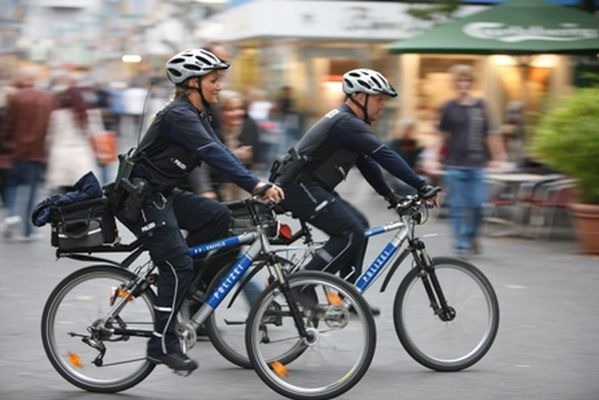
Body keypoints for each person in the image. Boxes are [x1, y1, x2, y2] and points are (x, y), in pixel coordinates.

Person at [110, 48, 284, 373]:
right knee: (177, 264)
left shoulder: (198, 114)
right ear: (193, 83)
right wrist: (256, 186)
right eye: (214, 80)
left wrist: (255, 183)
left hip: (162, 193)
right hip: (140, 198)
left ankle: (191, 288)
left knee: (218, 216)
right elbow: (211, 152)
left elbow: (219, 151)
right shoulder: (178, 115)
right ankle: (160, 345)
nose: (219, 86)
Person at [272, 68, 437, 315]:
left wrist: (390, 196)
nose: (382, 106)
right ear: (361, 97)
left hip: (311, 186)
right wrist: (421, 185)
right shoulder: (346, 122)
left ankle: (347, 296)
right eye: (379, 99)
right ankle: (301, 286)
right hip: (299, 186)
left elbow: (368, 163)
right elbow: (384, 155)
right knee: (351, 232)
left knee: (360, 225)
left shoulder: (349, 123)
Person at [426, 64, 507, 256]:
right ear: (455, 83)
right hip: (454, 164)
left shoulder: (481, 106)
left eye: (467, 80)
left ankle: (471, 237)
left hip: (477, 165)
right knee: (458, 206)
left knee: (479, 204)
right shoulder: (449, 107)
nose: (463, 84)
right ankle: (461, 244)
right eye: (460, 80)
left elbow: (490, 135)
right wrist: (433, 158)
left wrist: (500, 156)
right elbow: (441, 136)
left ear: (472, 83)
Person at [1, 67, 55, 241]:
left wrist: (6, 144)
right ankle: (28, 230)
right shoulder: (47, 98)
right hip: (37, 152)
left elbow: (8, 125)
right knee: (32, 190)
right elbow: (49, 126)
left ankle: (12, 215)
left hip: (17, 150)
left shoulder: (16, 98)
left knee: (13, 185)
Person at [45, 83, 98, 194]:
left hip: (61, 157)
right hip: (81, 157)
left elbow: (50, 137)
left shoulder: (57, 115)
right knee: (79, 195)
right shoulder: (87, 115)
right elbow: (94, 135)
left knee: (62, 194)